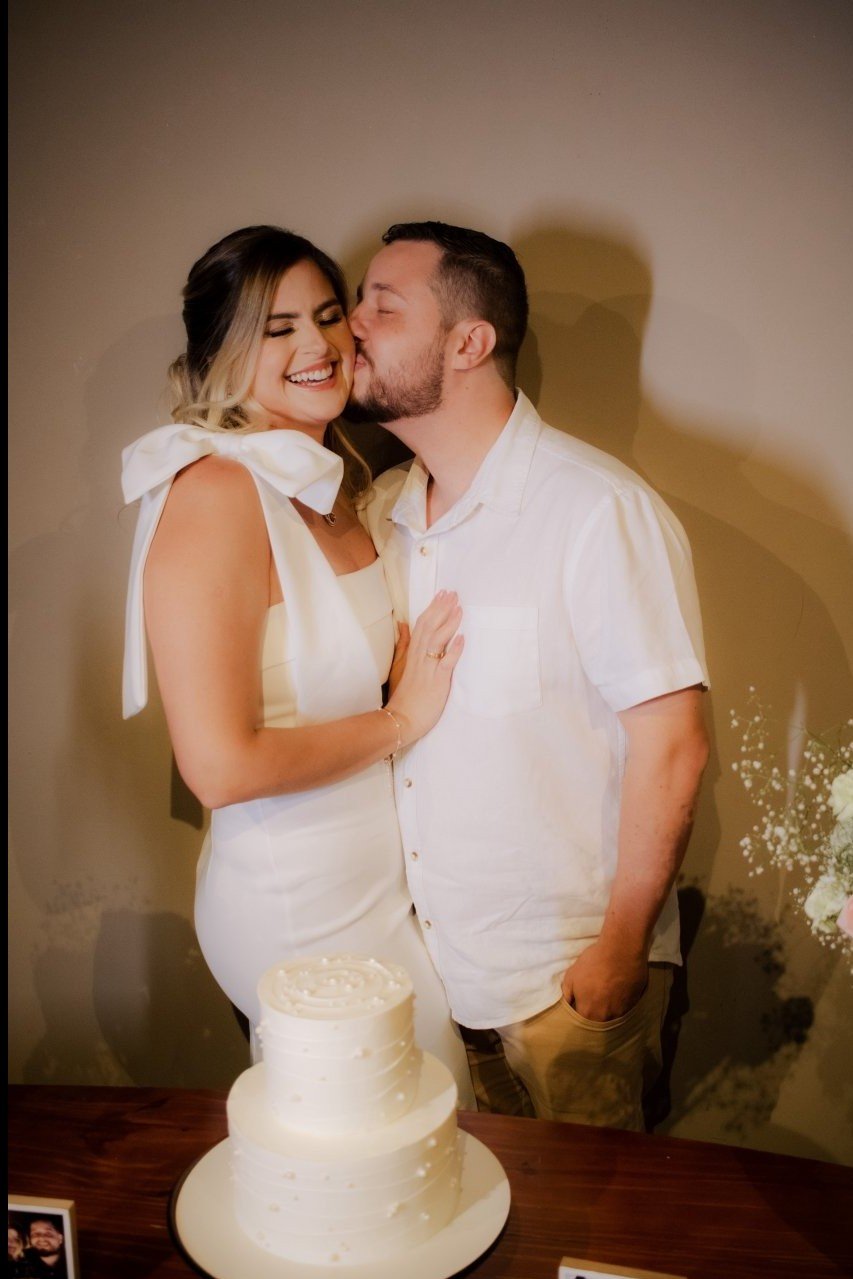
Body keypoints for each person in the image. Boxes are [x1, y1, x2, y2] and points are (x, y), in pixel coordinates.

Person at [350, 221, 710, 1131]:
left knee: (589, 1216)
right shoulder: (382, 513)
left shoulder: (595, 510)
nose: (349, 326)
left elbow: (674, 745)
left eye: (382, 307)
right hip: (431, 979)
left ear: (468, 342)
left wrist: (618, 953)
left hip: (563, 984)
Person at [121, 225, 473, 1103]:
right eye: (276, 328)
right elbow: (219, 766)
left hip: (375, 881)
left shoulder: (331, 484)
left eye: (325, 315)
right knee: (399, 1128)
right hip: (295, 899)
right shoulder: (217, 493)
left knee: (422, 1126)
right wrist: (399, 720)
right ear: (221, 353)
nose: (317, 345)